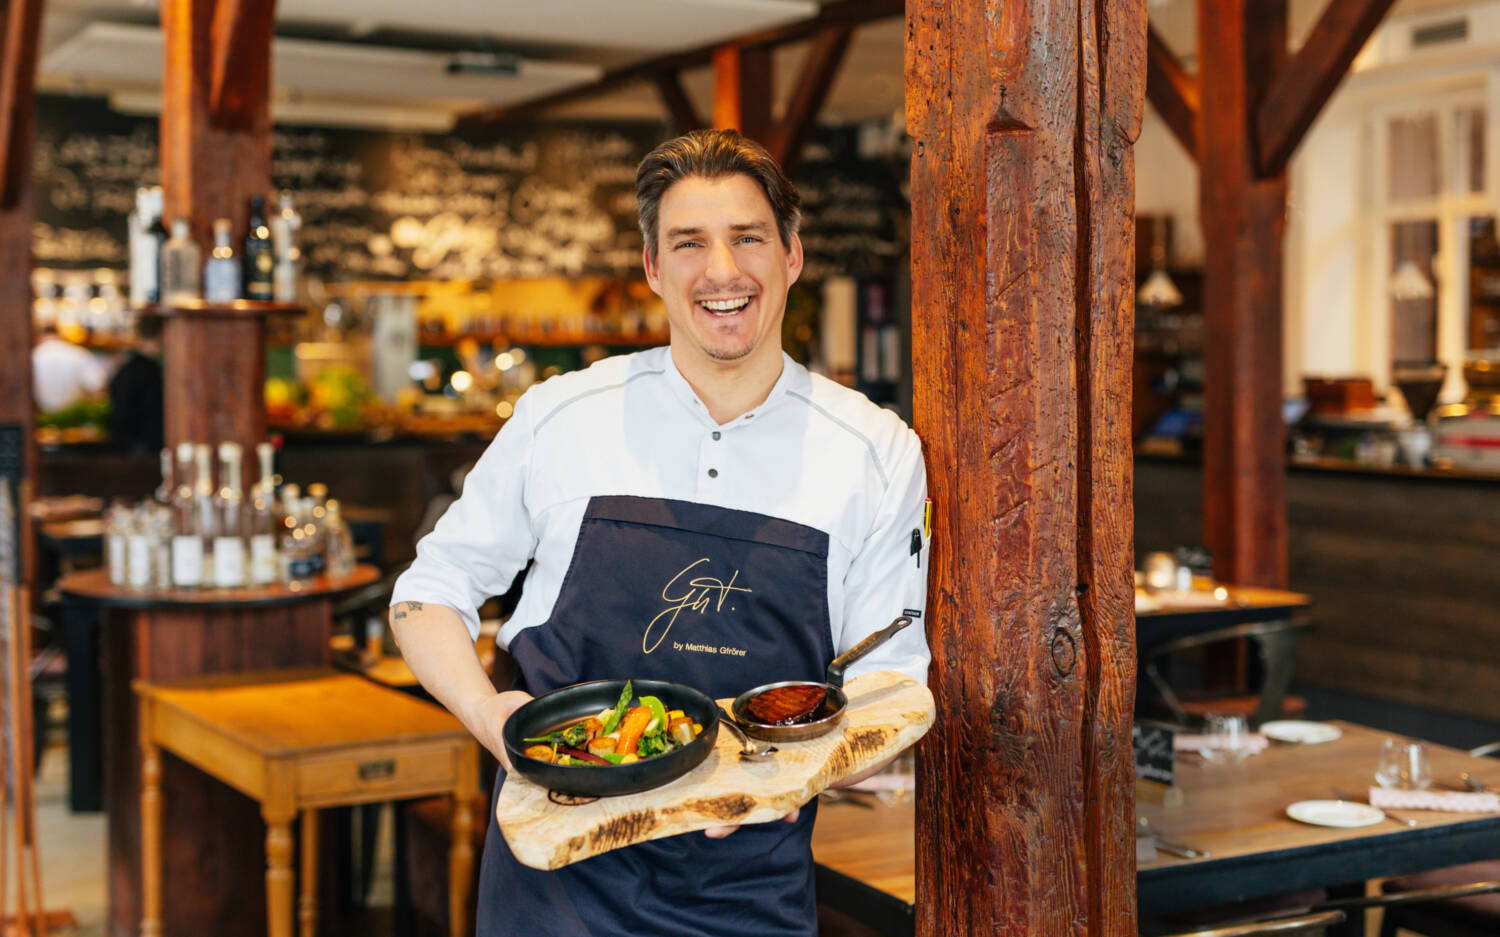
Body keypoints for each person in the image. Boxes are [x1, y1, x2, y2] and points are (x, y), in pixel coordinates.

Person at [389, 129, 930, 937]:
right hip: (555, 887)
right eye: (689, 243)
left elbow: (891, 686)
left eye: (748, 237)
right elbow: (428, 594)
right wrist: (490, 716)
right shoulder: (561, 417)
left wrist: (784, 775)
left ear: (792, 256)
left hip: (747, 892)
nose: (722, 270)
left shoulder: (876, 450)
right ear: (651, 267)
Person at [107, 315, 164, 454]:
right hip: (144, 449)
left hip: (126, 446)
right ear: (161, 334)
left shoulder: (126, 370)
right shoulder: (149, 372)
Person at [31, 322, 107, 414]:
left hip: (41, 417)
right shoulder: (79, 354)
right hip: (74, 417)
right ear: (61, 335)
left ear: (39, 337)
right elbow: (96, 388)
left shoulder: (32, 357)